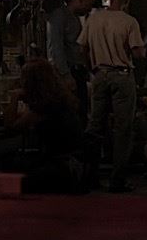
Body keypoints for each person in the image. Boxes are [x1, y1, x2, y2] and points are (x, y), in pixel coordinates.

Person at [77, 0, 146, 192]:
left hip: (99, 74)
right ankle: (118, 180)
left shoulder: (94, 19)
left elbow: (82, 47)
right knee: (123, 129)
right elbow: (138, 53)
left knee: (95, 126)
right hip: (121, 75)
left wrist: (92, 68)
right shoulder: (129, 22)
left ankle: (89, 175)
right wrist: (144, 43)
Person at [6, 59, 87, 194]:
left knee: (12, 172)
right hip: (74, 163)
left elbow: (11, 128)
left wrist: (14, 98)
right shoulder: (58, 99)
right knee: (14, 163)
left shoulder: (44, 107)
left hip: (62, 168)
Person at [46, 0, 96, 125]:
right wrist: (65, 74)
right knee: (72, 113)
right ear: (80, 0)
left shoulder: (74, 18)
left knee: (81, 112)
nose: (89, 9)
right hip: (69, 71)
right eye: (88, 5)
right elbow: (56, 47)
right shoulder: (59, 17)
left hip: (77, 70)